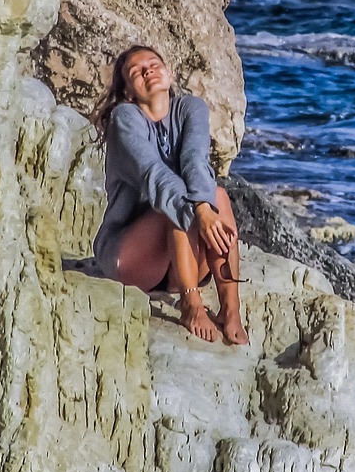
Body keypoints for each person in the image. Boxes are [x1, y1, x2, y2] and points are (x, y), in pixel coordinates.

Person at [90, 45, 248, 345]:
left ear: (169, 73)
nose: (147, 70)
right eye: (136, 71)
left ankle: (231, 308)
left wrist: (205, 206)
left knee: (218, 195)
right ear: (128, 92)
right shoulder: (125, 117)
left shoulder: (191, 108)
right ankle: (191, 305)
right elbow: (155, 175)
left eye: (153, 63)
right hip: (130, 259)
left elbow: (195, 161)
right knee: (172, 205)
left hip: (183, 263)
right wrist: (200, 212)